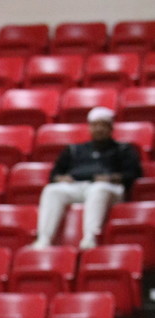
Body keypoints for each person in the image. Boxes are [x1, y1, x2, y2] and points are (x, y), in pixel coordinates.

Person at [33, 106, 142, 251]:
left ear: (111, 128)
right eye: (95, 125)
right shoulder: (74, 150)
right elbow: (54, 174)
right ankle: (44, 239)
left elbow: (133, 174)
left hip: (109, 188)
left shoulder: (123, 149)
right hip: (77, 186)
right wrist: (60, 179)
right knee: (52, 190)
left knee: (98, 189)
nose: (98, 129)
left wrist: (112, 178)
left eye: (102, 125)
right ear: (89, 127)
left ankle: (90, 238)